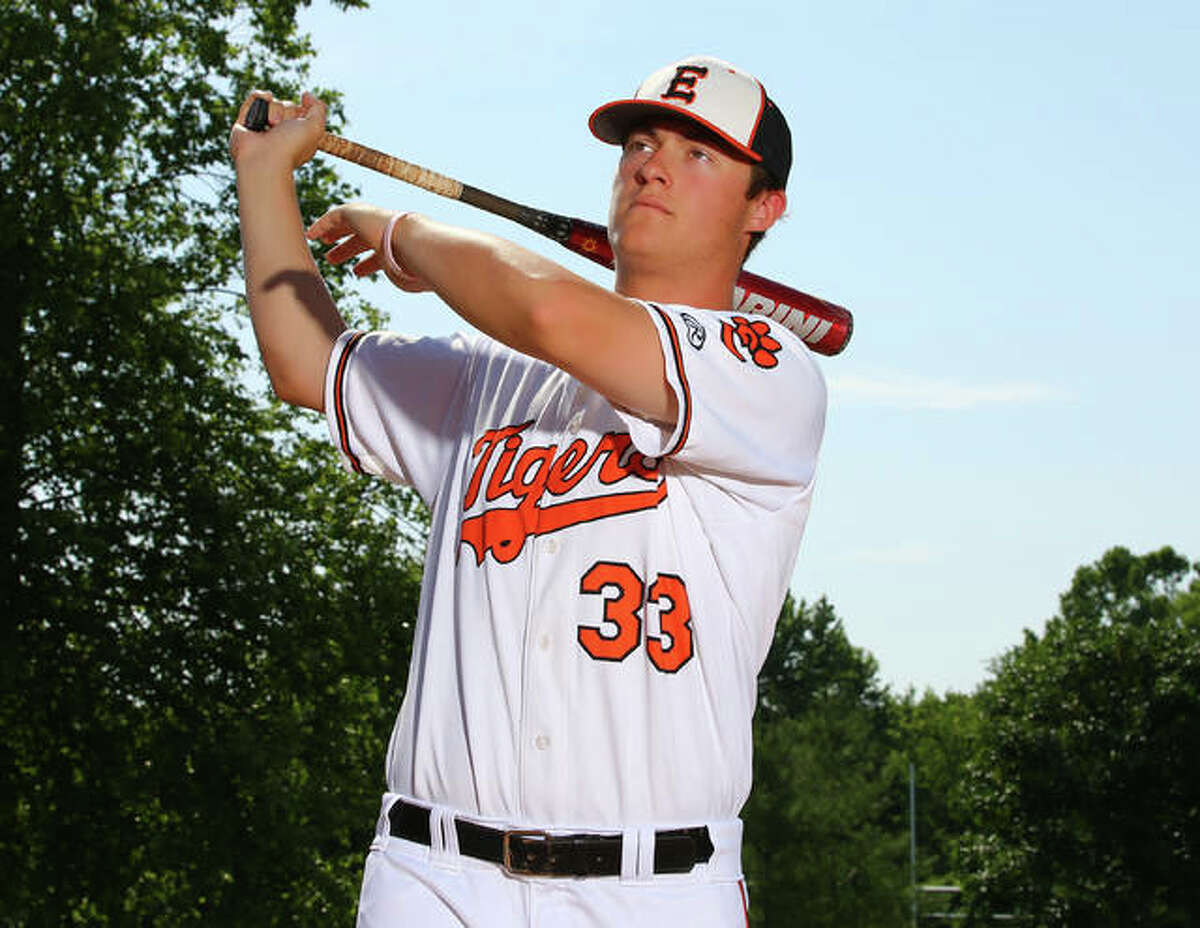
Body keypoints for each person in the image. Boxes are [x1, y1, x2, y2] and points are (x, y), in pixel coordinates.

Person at [231, 55, 826, 928]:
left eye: (700, 154)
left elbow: (551, 312)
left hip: (652, 888)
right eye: (642, 142)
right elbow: (305, 363)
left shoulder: (770, 374)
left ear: (762, 208)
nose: (651, 164)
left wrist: (407, 235)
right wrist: (263, 175)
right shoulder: (494, 378)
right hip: (430, 877)